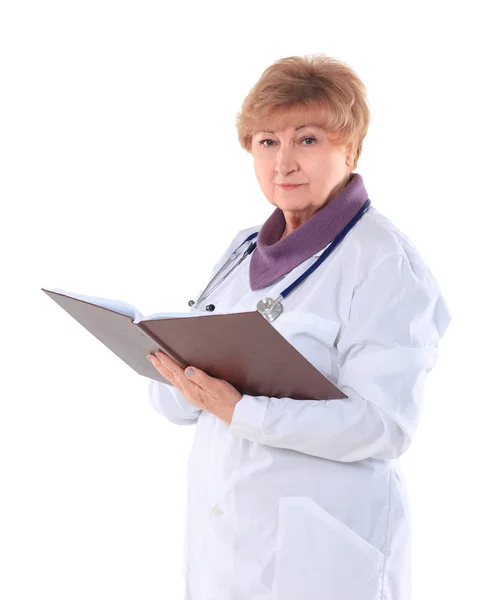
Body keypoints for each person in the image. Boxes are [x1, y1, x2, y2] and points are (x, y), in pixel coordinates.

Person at [146, 54, 452, 600]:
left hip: (324, 560)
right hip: (224, 552)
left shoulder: (382, 262)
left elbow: (384, 425)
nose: (283, 161)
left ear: (350, 148)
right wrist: (172, 376)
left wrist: (240, 409)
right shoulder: (242, 249)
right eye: (267, 142)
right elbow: (178, 403)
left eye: (307, 140)